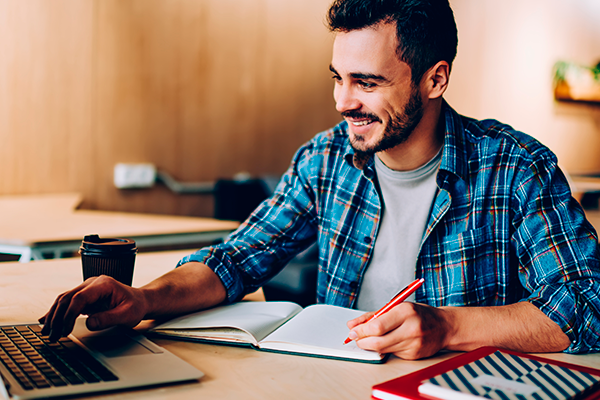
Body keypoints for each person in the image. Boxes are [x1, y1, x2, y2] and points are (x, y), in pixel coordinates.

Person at [40, 0, 600, 361]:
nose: (342, 101)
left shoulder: (517, 169)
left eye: (367, 82)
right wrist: (141, 298)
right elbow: (237, 259)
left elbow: (586, 305)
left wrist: (447, 327)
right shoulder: (326, 159)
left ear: (435, 78)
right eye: (338, 77)